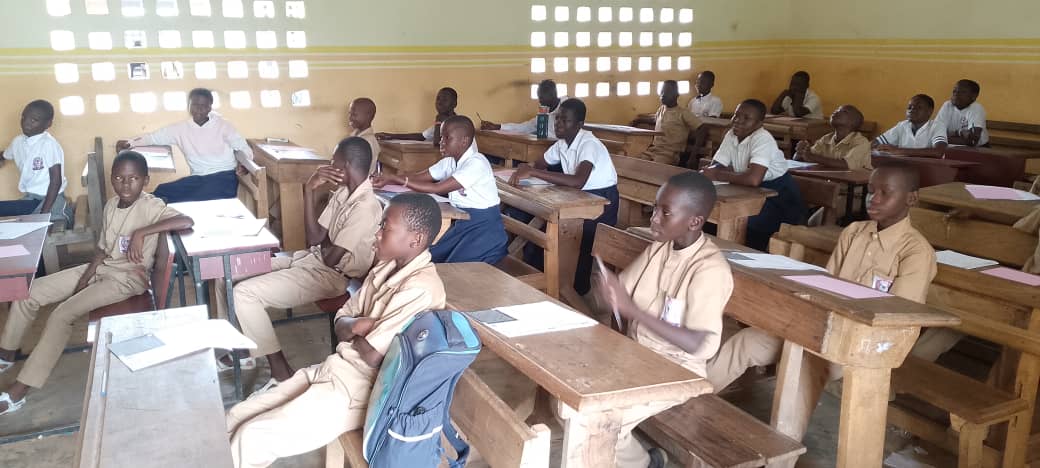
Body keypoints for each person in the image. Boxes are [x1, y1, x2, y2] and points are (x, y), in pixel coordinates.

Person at [225, 193, 446, 468]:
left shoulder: (420, 288)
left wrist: (354, 328)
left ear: (416, 239)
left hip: (357, 391)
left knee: (251, 438)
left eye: (385, 227)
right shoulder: (384, 268)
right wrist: (359, 325)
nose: (376, 234)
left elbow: (373, 356)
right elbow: (341, 321)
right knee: (235, 417)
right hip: (335, 368)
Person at [707, 164, 944, 396]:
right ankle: (691, 396)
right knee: (744, 343)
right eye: (871, 191)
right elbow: (827, 286)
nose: (874, 199)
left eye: (885, 193)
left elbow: (896, 318)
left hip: (859, 343)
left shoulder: (916, 252)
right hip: (818, 327)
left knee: (801, 373)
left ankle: (786, 423)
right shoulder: (854, 232)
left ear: (911, 198)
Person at [0, 152, 194, 414]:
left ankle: (20, 390)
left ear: (145, 180)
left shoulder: (150, 206)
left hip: (126, 280)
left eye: (134, 178)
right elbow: (103, 249)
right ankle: (7, 353)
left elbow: (186, 220)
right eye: (119, 178)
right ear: (112, 179)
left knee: (61, 315)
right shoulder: (112, 205)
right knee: (30, 292)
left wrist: (142, 232)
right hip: (102, 268)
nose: (126, 184)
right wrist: (85, 277)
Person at [594, 171, 733, 468]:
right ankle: (645, 462)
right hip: (637, 355)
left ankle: (643, 463)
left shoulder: (710, 270)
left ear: (694, 221)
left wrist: (633, 311)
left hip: (678, 371)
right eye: (654, 208)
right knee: (571, 402)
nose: (654, 218)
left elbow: (700, 344)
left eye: (665, 212)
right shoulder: (660, 246)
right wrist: (609, 289)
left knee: (602, 423)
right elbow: (624, 290)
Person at [222, 137, 382, 389]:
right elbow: (315, 238)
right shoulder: (343, 192)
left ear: (345, 166)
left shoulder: (365, 207)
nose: (328, 166)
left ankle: (281, 371)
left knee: (244, 294)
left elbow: (330, 258)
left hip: (332, 276)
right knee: (227, 272)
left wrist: (324, 245)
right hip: (310, 259)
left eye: (334, 162)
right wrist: (308, 190)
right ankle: (244, 347)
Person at [509, 98, 619, 296]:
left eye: (565, 120)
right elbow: (540, 164)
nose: (558, 124)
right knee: (543, 226)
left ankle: (574, 290)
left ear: (579, 124)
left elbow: (578, 181)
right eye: (557, 118)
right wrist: (526, 169)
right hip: (576, 198)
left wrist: (533, 172)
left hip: (601, 202)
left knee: (578, 243)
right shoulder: (562, 144)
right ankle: (541, 277)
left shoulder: (588, 144)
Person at [372, 116, 507, 264]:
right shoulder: (450, 162)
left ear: (464, 141)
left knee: (453, 266)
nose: (441, 142)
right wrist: (389, 178)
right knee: (430, 257)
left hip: (483, 228)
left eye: (447, 138)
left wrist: (397, 179)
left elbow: (437, 187)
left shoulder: (476, 163)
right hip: (463, 224)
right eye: (442, 137)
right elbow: (419, 177)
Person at [701, 99, 807, 250]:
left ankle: (738, 254)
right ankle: (715, 251)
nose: (738, 121)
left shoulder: (762, 139)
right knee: (710, 212)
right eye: (736, 115)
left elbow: (753, 179)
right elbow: (719, 164)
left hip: (779, 199)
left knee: (736, 218)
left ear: (759, 124)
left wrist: (717, 174)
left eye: (746, 118)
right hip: (749, 192)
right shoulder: (732, 135)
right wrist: (710, 171)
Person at [117, 88, 253, 203]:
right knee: (163, 191)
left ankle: (145, 205)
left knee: (181, 198)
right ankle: (142, 205)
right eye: (195, 104)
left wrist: (245, 166)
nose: (199, 109)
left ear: (210, 107)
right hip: (199, 178)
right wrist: (130, 143)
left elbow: (244, 148)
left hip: (224, 177)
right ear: (189, 105)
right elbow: (153, 138)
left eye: (204, 105)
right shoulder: (180, 129)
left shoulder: (223, 126)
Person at [0, 100, 71, 223]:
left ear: (48, 124)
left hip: (50, 199)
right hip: (31, 200)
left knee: (51, 222)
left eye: (34, 120)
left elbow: (56, 181)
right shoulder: (18, 142)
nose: (27, 123)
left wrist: (44, 214)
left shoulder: (48, 144)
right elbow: (5, 155)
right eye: (24, 117)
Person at [632, 80, 703, 166]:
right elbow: (655, 120)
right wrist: (639, 120)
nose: (663, 95)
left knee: (653, 167)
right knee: (635, 164)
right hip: (654, 150)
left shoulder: (683, 113)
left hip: (670, 153)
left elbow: (702, 129)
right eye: (662, 91)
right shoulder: (661, 109)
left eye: (667, 92)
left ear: (676, 95)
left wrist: (693, 156)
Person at [481, 79, 570, 139]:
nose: (540, 101)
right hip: (548, 150)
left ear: (552, 95)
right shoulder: (544, 113)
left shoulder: (568, 107)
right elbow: (525, 127)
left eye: (542, 97)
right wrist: (498, 127)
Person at [794, 105, 872, 170]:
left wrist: (811, 156)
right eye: (836, 110)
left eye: (843, 111)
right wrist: (800, 152)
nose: (835, 112)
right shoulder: (826, 138)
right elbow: (805, 158)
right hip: (829, 179)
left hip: (852, 183)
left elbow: (846, 165)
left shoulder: (861, 142)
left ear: (853, 122)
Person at [375, 87, 458, 142]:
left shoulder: (458, 125)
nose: (439, 103)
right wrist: (390, 136)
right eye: (438, 99)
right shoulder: (441, 121)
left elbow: (438, 143)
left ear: (454, 104)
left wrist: (438, 121)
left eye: (445, 100)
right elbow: (422, 136)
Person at [873, 94, 949, 150]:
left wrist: (899, 150)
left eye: (918, 107)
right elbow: (876, 142)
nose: (912, 110)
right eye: (909, 107)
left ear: (929, 112)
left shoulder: (937, 126)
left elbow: (939, 151)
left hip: (929, 166)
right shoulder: (902, 125)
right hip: (903, 165)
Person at [934, 79, 989, 147]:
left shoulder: (976, 108)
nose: (956, 94)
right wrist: (959, 133)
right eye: (954, 91)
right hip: (949, 147)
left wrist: (942, 139)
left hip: (978, 149)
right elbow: (935, 131)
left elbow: (972, 141)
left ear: (974, 96)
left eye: (962, 92)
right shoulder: (947, 105)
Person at [344, 97, 380, 172]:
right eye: (349, 114)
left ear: (368, 116)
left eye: (354, 114)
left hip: (358, 179)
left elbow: (355, 170)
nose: (350, 118)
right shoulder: (355, 135)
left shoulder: (367, 141)